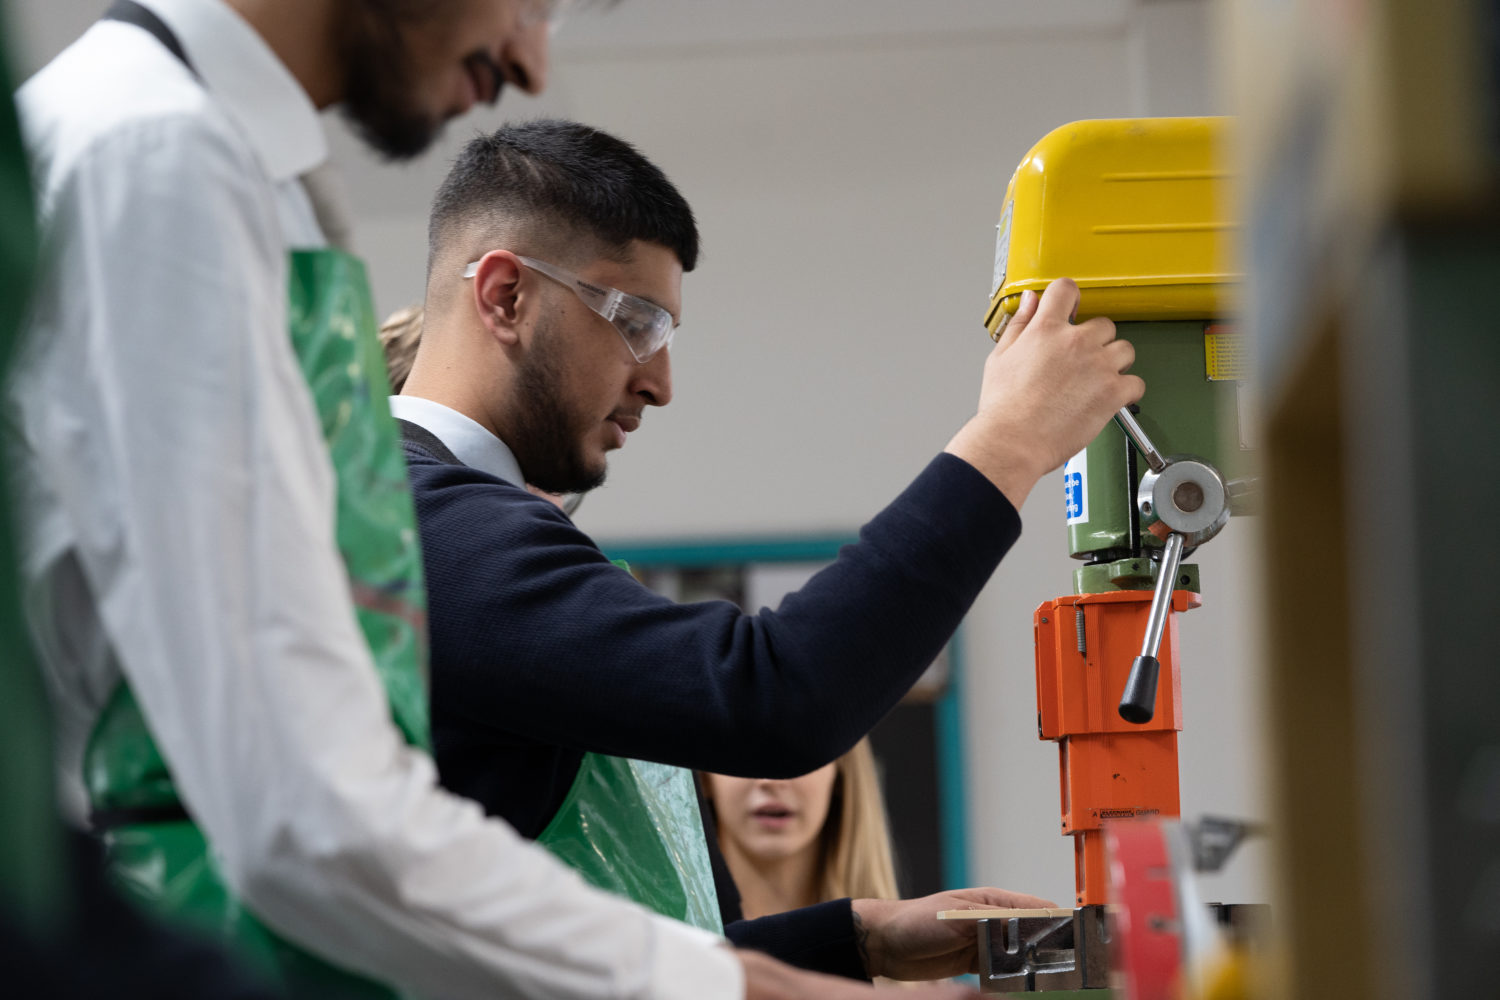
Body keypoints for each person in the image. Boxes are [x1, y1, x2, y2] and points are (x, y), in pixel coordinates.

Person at [9, 2, 988, 998]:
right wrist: (724, 984)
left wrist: (832, 943)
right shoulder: (152, 157)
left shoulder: (238, 170)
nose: (530, 60)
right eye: (530, 3)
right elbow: (302, 813)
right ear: (505, 296)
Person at [397, 120, 1140, 978]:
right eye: (635, 322)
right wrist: (1009, 441)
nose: (659, 382)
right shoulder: (424, 524)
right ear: (505, 297)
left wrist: (858, 937)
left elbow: (574, 959)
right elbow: (771, 695)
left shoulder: (429, 520)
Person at [703, 739, 900, 922]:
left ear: (841, 773)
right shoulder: (682, 941)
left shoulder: (901, 944)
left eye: (798, 747)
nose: (770, 779)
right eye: (742, 746)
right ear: (705, 776)